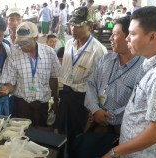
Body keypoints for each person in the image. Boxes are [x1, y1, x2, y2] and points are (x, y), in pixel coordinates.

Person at [103, 6, 156, 158]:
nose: (126, 38)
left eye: (132, 34)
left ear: (152, 37)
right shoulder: (154, 62)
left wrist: (114, 152)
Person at [56, 6, 107, 155]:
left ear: (90, 26)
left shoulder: (98, 51)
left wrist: (96, 108)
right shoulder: (70, 44)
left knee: (77, 136)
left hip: (82, 100)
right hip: (65, 95)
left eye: (78, 26)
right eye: (72, 25)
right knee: (61, 133)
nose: (73, 29)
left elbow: (101, 83)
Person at [84, 16, 143, 136]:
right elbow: (91, 84)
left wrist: (108, 116)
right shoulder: (106, 59)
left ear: (129, 37)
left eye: (115, 34)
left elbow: (137, 104)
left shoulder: (143, 68)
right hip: (95, 121)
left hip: (122, 129)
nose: (110, 38)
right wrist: (96, 110)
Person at [0, 21, 61, 126]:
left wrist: (55, 100)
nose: (22, 46)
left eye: (25, 42)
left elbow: (53, 79)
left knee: (42, 137)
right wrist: (7, 89)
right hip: (22, 107)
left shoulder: (49, 53)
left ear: (36, 38)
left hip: (43, 106)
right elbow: (11, 84)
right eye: (20, 42)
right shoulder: (13, 57)